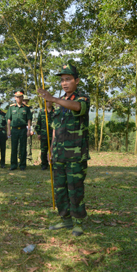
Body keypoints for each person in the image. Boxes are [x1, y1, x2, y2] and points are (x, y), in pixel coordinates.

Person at [37, 63, 90, 236]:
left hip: (75, 155)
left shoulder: (82, 98)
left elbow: (77, 108)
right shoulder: (60, 103)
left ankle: (78, 222)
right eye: (62, 80)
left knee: (75, 189)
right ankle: (65, 219)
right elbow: (55, 128)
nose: (64, 83)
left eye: (68, 79)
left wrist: (53, 100)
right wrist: (51, 150)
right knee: (60, 189)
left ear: (77, 80)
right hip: (59, 154)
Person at [6, 90, 33, 171]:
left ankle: (22, 165)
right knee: (14, 148)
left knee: (23, 147)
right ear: (15, 98)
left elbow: (29, 119)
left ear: (22, 97)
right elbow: (9, 119)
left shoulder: (26, 108)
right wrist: (9, 130)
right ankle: (13, 165)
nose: (18, 98)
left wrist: (28, 130)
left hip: (23, 130)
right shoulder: (11, 107)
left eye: (20, 97)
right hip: (14, 130)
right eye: (17, 97)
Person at [35, 100, 55, 170]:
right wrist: (38, 133)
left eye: (49, 101)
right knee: (43, 151)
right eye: (46, 101)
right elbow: (38, 124)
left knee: (53, 150)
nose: (48, 103)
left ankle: (52, 164)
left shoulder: (55, 111)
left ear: (52, 102)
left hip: (53, 135)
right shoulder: (42, 112)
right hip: (44, 135)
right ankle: (44, 164)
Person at [22, 96, 34, 164]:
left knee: (28, 144)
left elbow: (34, 119)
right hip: (21, 128)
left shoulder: (30, 109)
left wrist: (32, 130)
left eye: (26, 100)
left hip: (29, 127)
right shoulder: (18, 108)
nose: (25, 101)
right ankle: (20, 158)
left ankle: (29, 159)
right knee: (20, 144)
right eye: (24, 100)